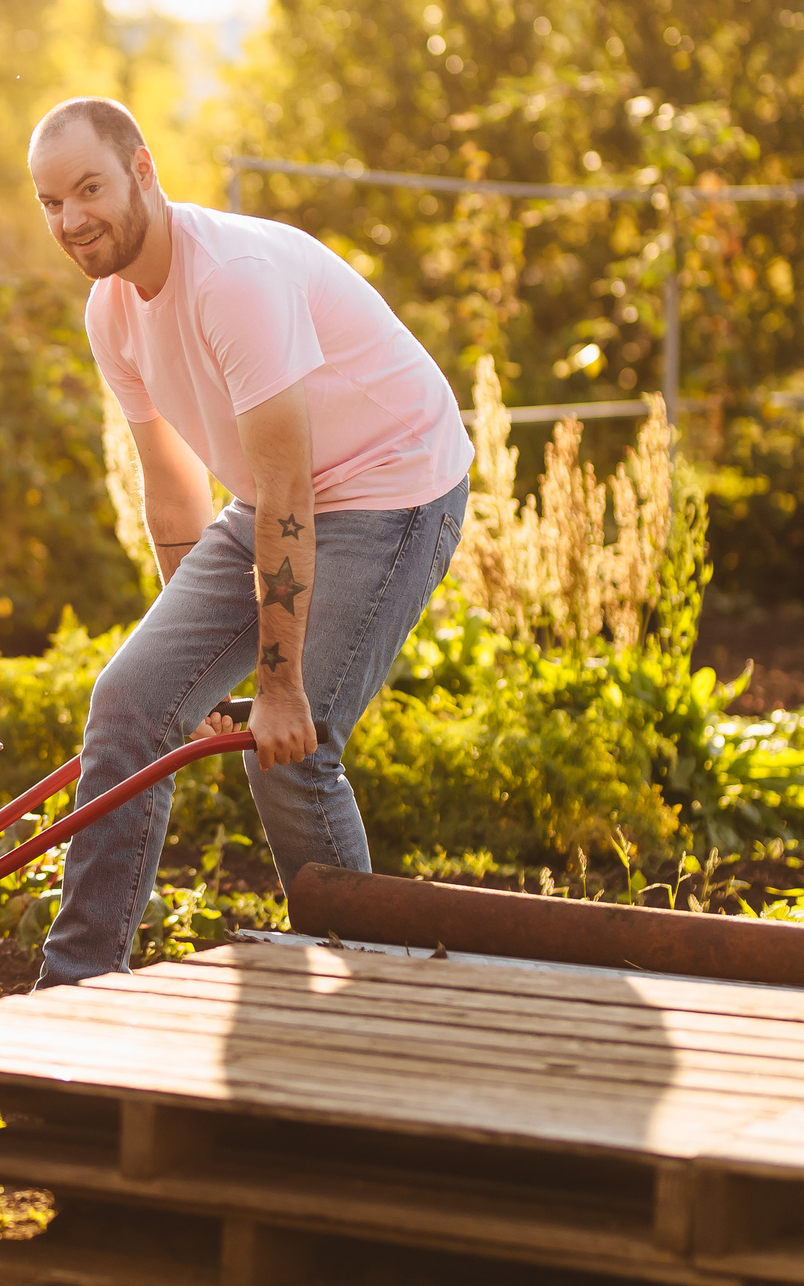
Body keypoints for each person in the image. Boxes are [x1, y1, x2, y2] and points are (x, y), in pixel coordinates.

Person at [26, 97, 472, 988]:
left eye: (89, 189)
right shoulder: (111, 309)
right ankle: (72, 987)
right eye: (50, 201)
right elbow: (172, 488)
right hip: (276, 498)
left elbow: (289, 491)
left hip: (389, 485)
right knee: (129, 701)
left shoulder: (232, 277)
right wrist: (189, 660)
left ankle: (368, 995)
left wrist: (275, 681)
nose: (72, 220)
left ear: (143, 170)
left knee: (294, 749)